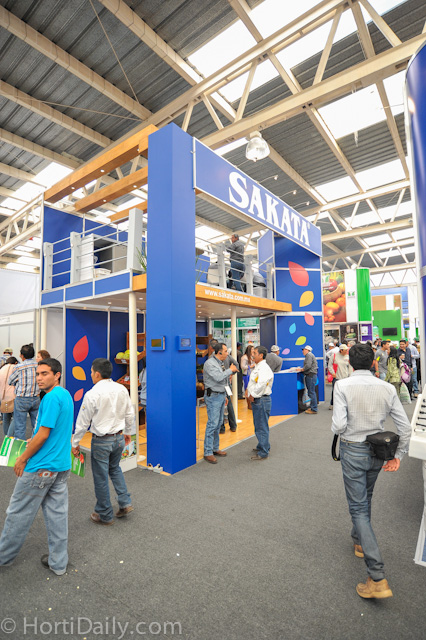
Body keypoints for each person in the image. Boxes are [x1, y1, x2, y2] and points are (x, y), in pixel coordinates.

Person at [332, 343, 411, 599]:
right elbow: (405, 427)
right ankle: (358, 542)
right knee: (366, 497)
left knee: (358, 507)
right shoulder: (386, 387)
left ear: (350, 363)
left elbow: (339, 425)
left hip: (353, 450)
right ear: (373, 363)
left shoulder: (342, 386)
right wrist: (398, 456)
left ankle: (377, 576)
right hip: (379, 451)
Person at [0, 358, 73, 575]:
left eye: (44, 374)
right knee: (57, 516)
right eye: (38, 374)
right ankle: (58, 563)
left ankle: (3, 558)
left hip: (41, 467)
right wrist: (34, 439)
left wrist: (23, 458)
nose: (39, 378)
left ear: (57, 375)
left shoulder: (50, 398)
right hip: (61, 466)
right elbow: (49, 430)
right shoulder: (65, 394)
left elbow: (43, 434)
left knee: (17, 514)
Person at [72, 358, 135, 525]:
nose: (90, 375)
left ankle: (104, 514)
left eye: (91, 372)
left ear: (97, 374)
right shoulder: (122, 389)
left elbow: (83, 422)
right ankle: (125, 502)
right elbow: (130, 413)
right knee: (115, 469)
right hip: (119, 438)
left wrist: (75, 442)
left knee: (101, 477)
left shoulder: (92, 394)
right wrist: (128, 432)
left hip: (101, 441)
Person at [202, 343, 237, 464]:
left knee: (218, 423)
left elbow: (224, 380)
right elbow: (218, 377)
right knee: (212, 424)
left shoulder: (220, 363)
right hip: (213, 396)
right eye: (226, 351)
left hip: (221, 395)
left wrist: (225, 395)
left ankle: (215, 448)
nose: (227, 353)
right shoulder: (209, 364)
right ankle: (208, 452)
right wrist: (230, 370)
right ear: (219, 352)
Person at [7, 344, 40, 440]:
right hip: (36, 398)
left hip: (21, 399)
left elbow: (10, 381)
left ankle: (20, 447)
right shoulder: (38, 366)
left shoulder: (18, 367)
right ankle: (37, 445)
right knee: (37, 425)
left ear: (22, 355)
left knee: (20, 427)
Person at [247, 346, 274, 460]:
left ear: (261, 355)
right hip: (259, 400)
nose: (252, 355)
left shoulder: (263, 368)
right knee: (259, 425)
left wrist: (252, 394)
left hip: (261, 400)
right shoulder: (258, 366)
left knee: (261, 426)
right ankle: (262, 446)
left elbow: (261, 384)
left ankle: (263, 452)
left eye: (255, 353)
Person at [328, 344, 351, 409]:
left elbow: (350, 367)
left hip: (345, 377)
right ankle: (332, 404)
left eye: (347, 350)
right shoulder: (334, 356)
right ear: (341, 350)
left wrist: (350, 376)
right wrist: (333, 373)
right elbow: (330, 365)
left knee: (345, 391)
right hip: (336, 377)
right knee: (335, 391)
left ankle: (344, 404)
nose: (346, 351)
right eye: (345, 350)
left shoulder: (348, 357)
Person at [297, 346, 318, 414]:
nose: (302, 351)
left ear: (307, 350)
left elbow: (308, 365)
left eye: (303, 350)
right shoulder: (310, 355)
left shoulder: (309, 355)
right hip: (311, 375)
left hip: (310, 375)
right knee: (311, 392)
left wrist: (301, 369)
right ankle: (313, 407)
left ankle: (314, 409)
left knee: (311, 392)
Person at [0, 356, 18, 436]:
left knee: (6, 418)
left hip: (3, 397)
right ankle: (10, 436)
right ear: (15, 362)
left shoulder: (2, 369)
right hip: (13, 396)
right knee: (16, 417)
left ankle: (6, 438)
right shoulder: (15, 368)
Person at [241, 345, 255, 409]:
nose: (253, 350)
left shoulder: (251, 357)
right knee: (247, 389)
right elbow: (243, 366)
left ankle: (251, 404)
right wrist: (251, 366)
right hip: (246, 375)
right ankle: (249, 405)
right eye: (252, 349)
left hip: (251, 375)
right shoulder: (244, 357)